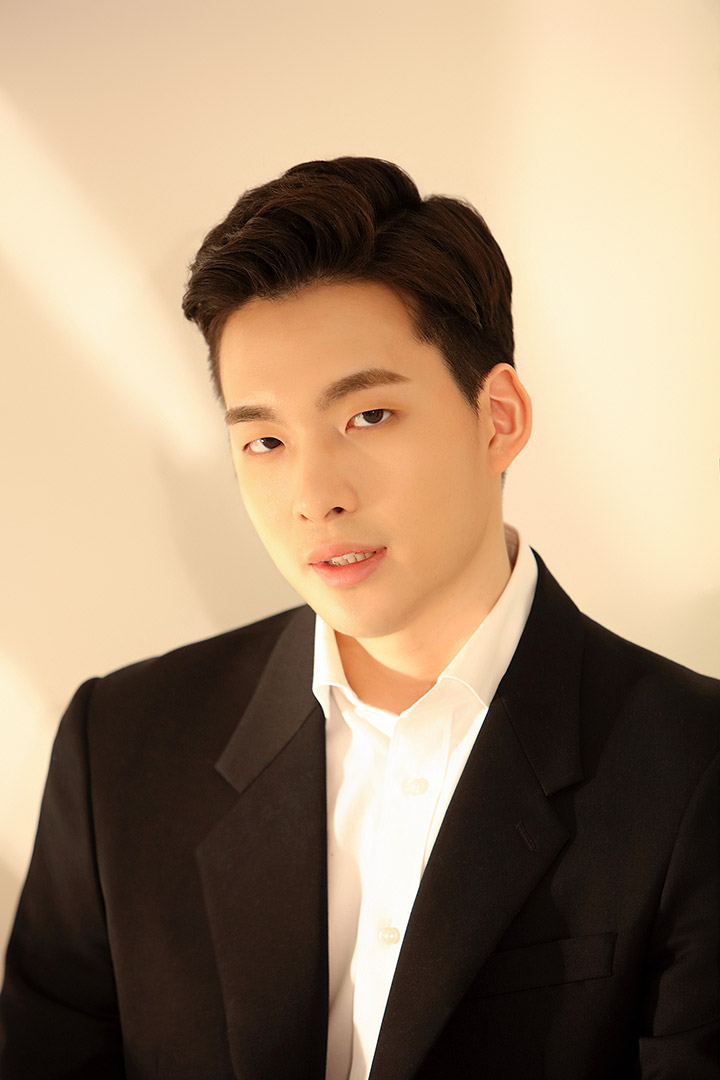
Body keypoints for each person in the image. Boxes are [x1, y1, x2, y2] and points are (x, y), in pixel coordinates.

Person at [0, 157, 718, 1080]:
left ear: (498, 417)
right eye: (265, 440)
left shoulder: (692, 768)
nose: (314, 495)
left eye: (369, 416)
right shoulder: (121, 748)